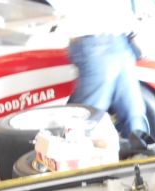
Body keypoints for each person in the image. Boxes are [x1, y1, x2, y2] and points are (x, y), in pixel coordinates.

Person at [50, 0, 148, 138]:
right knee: (88, 117)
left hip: (118, 39)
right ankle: (64, 148)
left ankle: (140, 152)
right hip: (94, 39)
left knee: (134, 114)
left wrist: (134, 32)